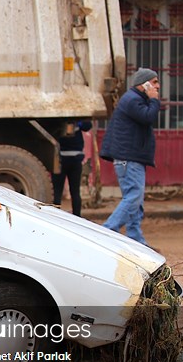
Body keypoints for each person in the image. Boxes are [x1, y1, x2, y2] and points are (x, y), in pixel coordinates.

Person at [100, 67, 161, 246]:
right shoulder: (133, 100)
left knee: (135, 199)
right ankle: (108, 230)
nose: (158, 86)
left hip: (132, 158)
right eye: (154, 82)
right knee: (134, 196)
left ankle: (135, 239)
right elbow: (148, 117)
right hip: (129, 159)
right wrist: (154, 100)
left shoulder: (135, 99)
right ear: (144, 84)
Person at [52, 119, 92, 217]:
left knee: (57, 191)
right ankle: (77, 216)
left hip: (60, 159)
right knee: (75, 191)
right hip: (74, 158)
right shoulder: (77, 120)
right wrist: (79, 123)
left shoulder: (58, 120)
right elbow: (87, 125)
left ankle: (55, 216)